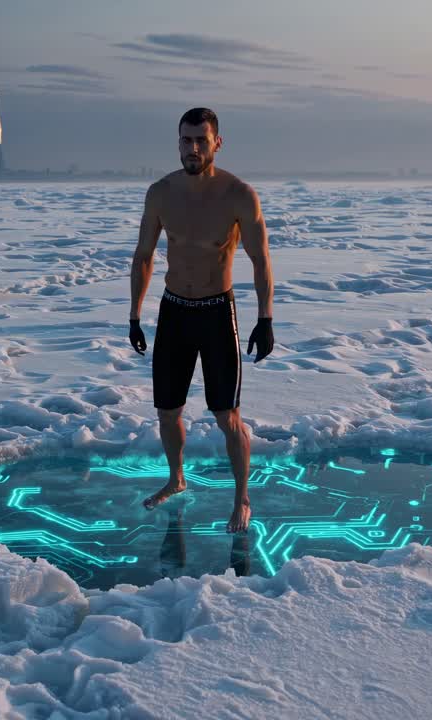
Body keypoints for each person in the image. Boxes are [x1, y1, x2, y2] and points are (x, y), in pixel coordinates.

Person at [127, 107, 275, 534]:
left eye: (201, 141)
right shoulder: (160, 193)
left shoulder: (238, 194)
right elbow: (144, 256)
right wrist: (134, 314)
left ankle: (241, 498)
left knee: (227, 415)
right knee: (167, 411)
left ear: (217, 143)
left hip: (215, 313)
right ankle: (176, 479)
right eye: (186, 140)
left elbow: (261, 259)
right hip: (174, 311)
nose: (193, 148)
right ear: (178, 143)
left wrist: (265, 318)